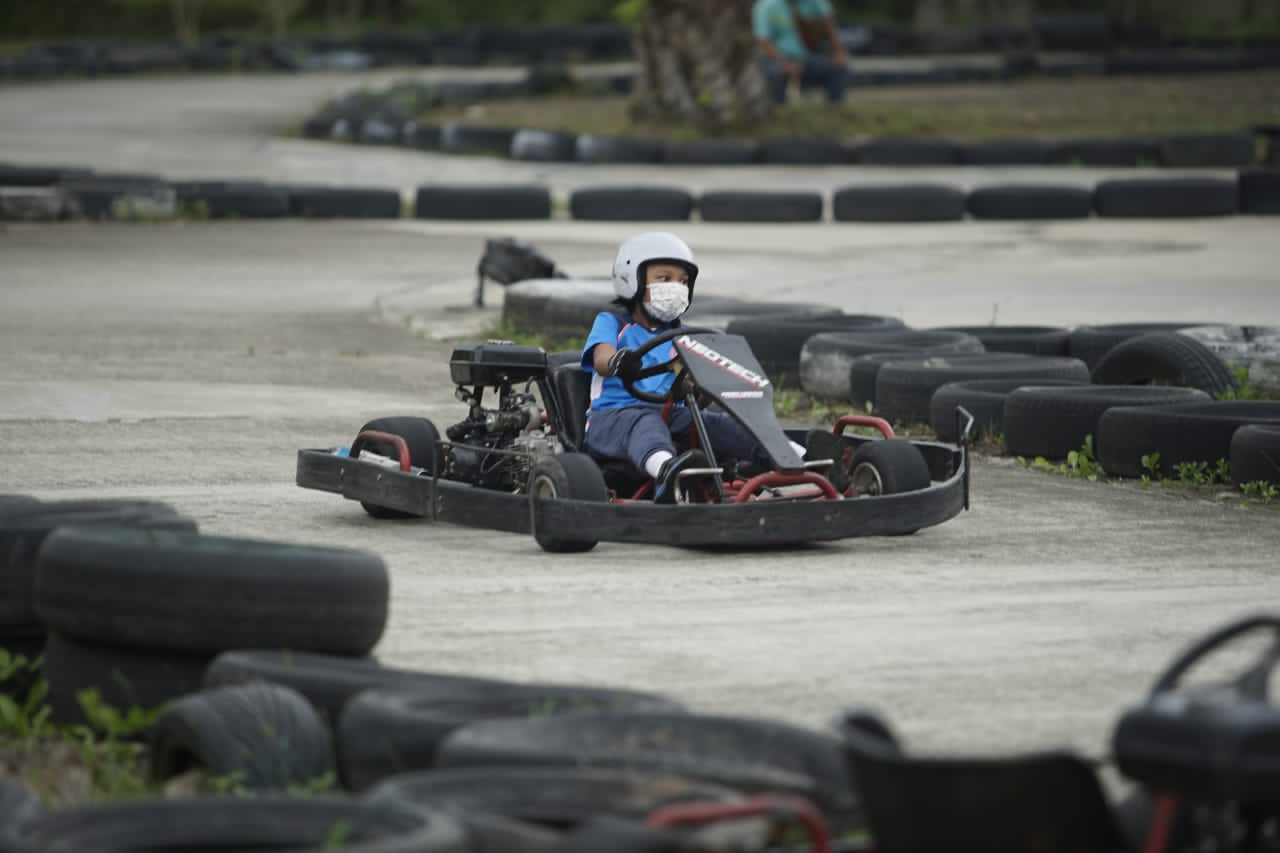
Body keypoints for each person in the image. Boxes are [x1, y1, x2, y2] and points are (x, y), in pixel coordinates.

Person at [580, 232, 826, 503]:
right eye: (665, 279)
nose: (676, 287)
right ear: (631, 280)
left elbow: (695, 382)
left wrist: (707, 388)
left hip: (672, 415)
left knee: (726, 425)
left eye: (683, 281)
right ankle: (667, 471)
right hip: (614, 418)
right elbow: (602, 357)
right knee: (647, 425)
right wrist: (618, 361)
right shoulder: (613, 323)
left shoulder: (685, 336)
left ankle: (804, 460)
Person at [752, 0, 849, 105]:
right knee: (774, 74)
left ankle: (834, 110)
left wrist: (839, 51)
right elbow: (763, 41)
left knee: (839, 70)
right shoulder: (766, 6)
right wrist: (785, 64)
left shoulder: (814, 2)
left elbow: (829, 25)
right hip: (776, 59)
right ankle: (779, 109)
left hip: (805, 58)